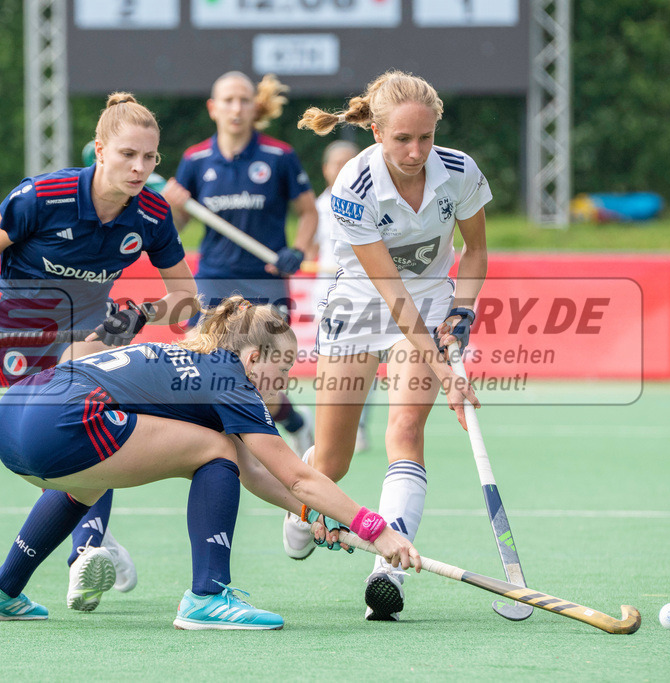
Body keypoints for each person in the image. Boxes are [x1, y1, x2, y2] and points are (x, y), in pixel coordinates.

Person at [0, 296, 421, 629]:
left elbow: (260, 473)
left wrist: (314, 513)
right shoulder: (231, 379)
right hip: (64, 423)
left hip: (14, 418)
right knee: (215, 450)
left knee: (89, 481)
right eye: (280, 373)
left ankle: (1, 590)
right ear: (255, 357)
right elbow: (294, 475)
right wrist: (375, 528)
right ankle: (209, 595)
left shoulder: (193, 361)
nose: (280, 387)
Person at [0, 92, 199, 613]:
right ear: (100, 151)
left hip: (87, 335)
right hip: (16, 339)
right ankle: (76, 549)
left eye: (150, 158)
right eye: (128, 154)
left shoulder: (151, 214)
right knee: (66, 451)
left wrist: (139, 314)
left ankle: (76, 555)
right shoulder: (42, 195)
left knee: (86, 433)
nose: (139, 168)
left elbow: (185, 299)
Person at [286, 70, 489, 621]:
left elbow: (473, 253)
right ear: (376, 132)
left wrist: (463, 310)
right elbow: (389, 293)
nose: (416, 151)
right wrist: (447, 373)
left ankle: (389, 568)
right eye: (402, 139)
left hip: (427, 303)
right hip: (361, 304)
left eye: (425, 137)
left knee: (404, 429)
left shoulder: (460, 172)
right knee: (334, 459)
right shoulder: (353, 185)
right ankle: (303, 504)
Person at [161, 71, 319, 457]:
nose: (236, 107)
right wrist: (173, 206)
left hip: (266, 280)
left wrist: (296, 251)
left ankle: (294, 423)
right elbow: (176, 226)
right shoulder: (195, 160)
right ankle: (223, 448)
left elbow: (309, 212)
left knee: (262, 376)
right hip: (215, 279)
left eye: (244, 100)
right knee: (211, 367)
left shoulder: (278, 156)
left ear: (255, 107)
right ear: (213, 109)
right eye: (228, 100)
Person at [304, 139, 374, 454]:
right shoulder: (316, 209)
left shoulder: (372, 201)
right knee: (332, 366)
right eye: (338, 163)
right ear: (325, 169)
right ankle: (327, 431)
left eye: (351, 162)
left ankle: (358, 426)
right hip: (329, 298)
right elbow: (310, 251)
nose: (344, 169)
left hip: (368, 294)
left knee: (365, 362)